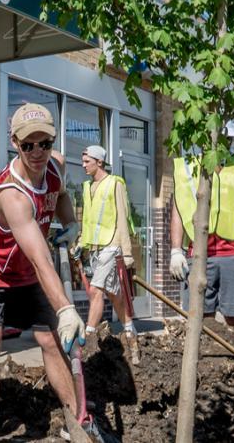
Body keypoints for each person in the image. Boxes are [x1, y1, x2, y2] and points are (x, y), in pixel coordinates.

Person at [0, 103, 88, 443]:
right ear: (15, 143)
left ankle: (77, 419)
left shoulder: (56, 167)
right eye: (28, 145)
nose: (38, 152)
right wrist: (65, 309)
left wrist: (71, 223)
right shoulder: (11, 195)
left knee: (51, 340)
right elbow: (40, 259)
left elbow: (61, 194)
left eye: (44, 143)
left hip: (29, 272)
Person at [170, 125, 234, 349]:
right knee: (200, 319)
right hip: (199, 254)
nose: (224, 142)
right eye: (219, 137)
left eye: (228, 138)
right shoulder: (189, 167)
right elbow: (178, 209)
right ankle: (206, 366)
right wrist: (176, 250)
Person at [76, 145, 137, 340]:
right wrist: (81, 243)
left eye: (87, 161)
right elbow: (87, 219)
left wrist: (126, 252)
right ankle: (129, 327)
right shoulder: (87, 186)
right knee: (112, 292)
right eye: (83, 161)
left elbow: (122, 218)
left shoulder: (114, 184)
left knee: (95, 290)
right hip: (94, 247)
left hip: (111, 245)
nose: (83, 165)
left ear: (99, 162)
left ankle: (89, 335)